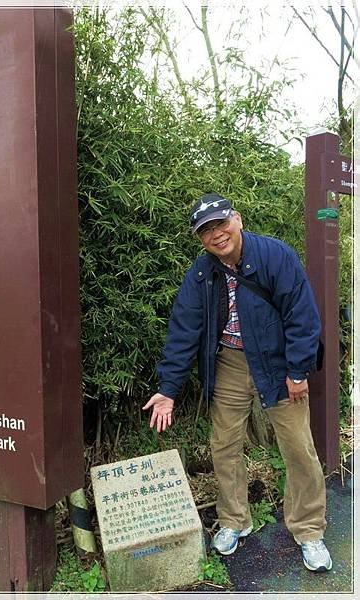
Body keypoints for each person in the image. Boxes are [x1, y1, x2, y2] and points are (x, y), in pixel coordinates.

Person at [142, 192, 332, 572]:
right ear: (200, 238)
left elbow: (302, 316)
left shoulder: (275, 256)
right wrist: (167, 389)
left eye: (221, 223)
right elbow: (184, 332)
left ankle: (309, 529)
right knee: (224, 444)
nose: (216, 234)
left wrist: (298, 370)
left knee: (298, 446)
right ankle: (233, 520)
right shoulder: (201, 273)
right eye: (206, 230)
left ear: (238, 219)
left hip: (278, 366)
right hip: (228, 363)